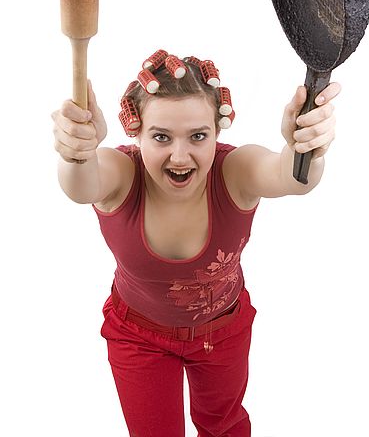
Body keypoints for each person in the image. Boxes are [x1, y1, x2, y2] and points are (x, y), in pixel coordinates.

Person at [51, 50, 340, 437]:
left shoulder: (234, 171)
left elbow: (293, 177)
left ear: (217, 134)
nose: (180, 155)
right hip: (139, 337)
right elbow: (80, 186)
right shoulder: (121, 174)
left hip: (223, 331)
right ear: (136, 134)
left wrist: (305, 148)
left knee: (225, 428)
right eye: (161, 137)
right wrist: (77, 154)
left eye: (198, 136)